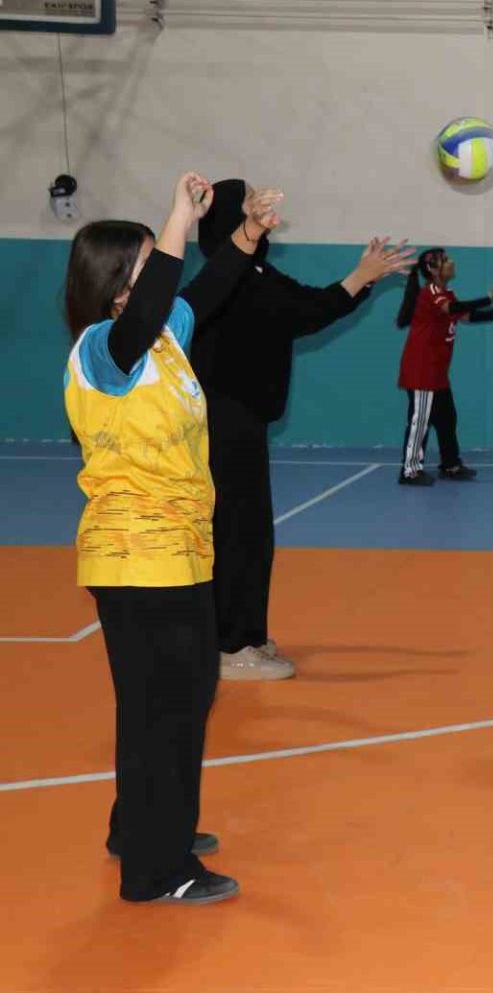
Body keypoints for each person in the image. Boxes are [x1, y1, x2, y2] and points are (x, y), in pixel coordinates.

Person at [64, 173, 280, 904]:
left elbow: (203, 294)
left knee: (169, 699)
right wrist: (180, 218)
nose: (164, 267)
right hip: (137, 554)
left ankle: (141, 829)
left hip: (177, 550)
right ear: (114, 284)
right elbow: (157, 301)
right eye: (148, 259)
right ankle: (159, 869)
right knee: (171, 704)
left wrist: (247, 234)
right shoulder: (105, 349)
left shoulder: (159, 344)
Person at [191, 179, 415, 682]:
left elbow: (310, 305)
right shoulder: (230, 281)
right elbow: (307, 312)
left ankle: (247, 635)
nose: (264, 211)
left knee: (250, 534)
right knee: (238, 534)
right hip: (222, 422)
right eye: (250, 204)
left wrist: (363, 275)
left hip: (244, 420)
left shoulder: (254, 273)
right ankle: (231, 646)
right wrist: (362, 275)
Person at [396, 248, 493, 485]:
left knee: (447, 418)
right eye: (445, 260)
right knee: (420, 421)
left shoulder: (447, 295)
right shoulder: (431, 293)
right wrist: (486, 299)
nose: (451, 262)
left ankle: (450, 465)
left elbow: (464, 316)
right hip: (422, 370)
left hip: (437, 372)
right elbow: (451, 309)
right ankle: (410, 470)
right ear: (433, 269)